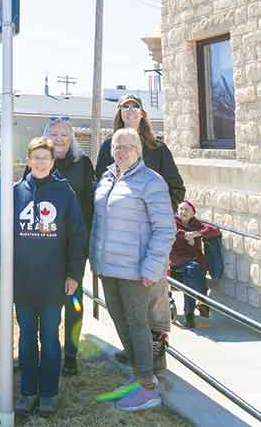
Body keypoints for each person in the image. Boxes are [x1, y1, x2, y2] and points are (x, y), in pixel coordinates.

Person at [95, 93, 185, 371]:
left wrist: (156, 216)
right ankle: (134, 352)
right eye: (125, 107)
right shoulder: (108, 146)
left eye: (136, 107)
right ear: (119, 114)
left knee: (154, 306)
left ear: (143, 114)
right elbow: (101, 184)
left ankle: (155, 359)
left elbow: (176, 188)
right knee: (123, 308)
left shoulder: (157, 148)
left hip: (150, 243)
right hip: (119, 245)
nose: (131, 111)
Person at [91, 127, 175, 412]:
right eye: (116, 146)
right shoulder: (106, 178)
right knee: (121, 323)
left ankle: (148, 389)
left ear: (138, 149)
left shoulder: (151, 181)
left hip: (136, 271)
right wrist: (96, 259)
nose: (121, 150)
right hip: (108, 268)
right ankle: (139, 377)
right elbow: (99, 224)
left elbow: (165, 229)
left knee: (138, 326)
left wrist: (152, 267)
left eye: (127, 145)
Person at [14, 137, 86, 418]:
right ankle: (28, 391)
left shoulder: (64, 193)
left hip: (54, 281)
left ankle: (48, 393)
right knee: (26, 337)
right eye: (37, 157)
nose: (41, 162)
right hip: (23, 282)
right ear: (28, 160)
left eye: (47, 158)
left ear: (53, 162)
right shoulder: (16, 192)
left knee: (50, 337)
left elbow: (78, 236)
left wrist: (74, 274)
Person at [43, 117, 95, 376]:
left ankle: (71, 354)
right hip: (45, 245)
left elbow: (90, 204)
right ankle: (48, 349)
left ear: (72, 137)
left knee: (73, 300)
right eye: (54, 133)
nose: (60, 138)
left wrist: (84, 241)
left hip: (74, 244)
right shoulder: (41, 162)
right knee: (49, 299)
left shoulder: (82, 163)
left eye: (65, 134)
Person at [170, 199, 221, 328]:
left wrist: (197, 233)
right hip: (177, 261)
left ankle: (190, 314)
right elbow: (171, 233)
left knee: (191, 274)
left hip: (194, 261)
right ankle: (201, 302)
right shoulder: (172, 222)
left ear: (193, 213)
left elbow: (215, 230)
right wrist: (185, 235)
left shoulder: (196, 224)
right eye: (181, 209)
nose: (183, 212)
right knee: (193, 270)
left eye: (187, 210)